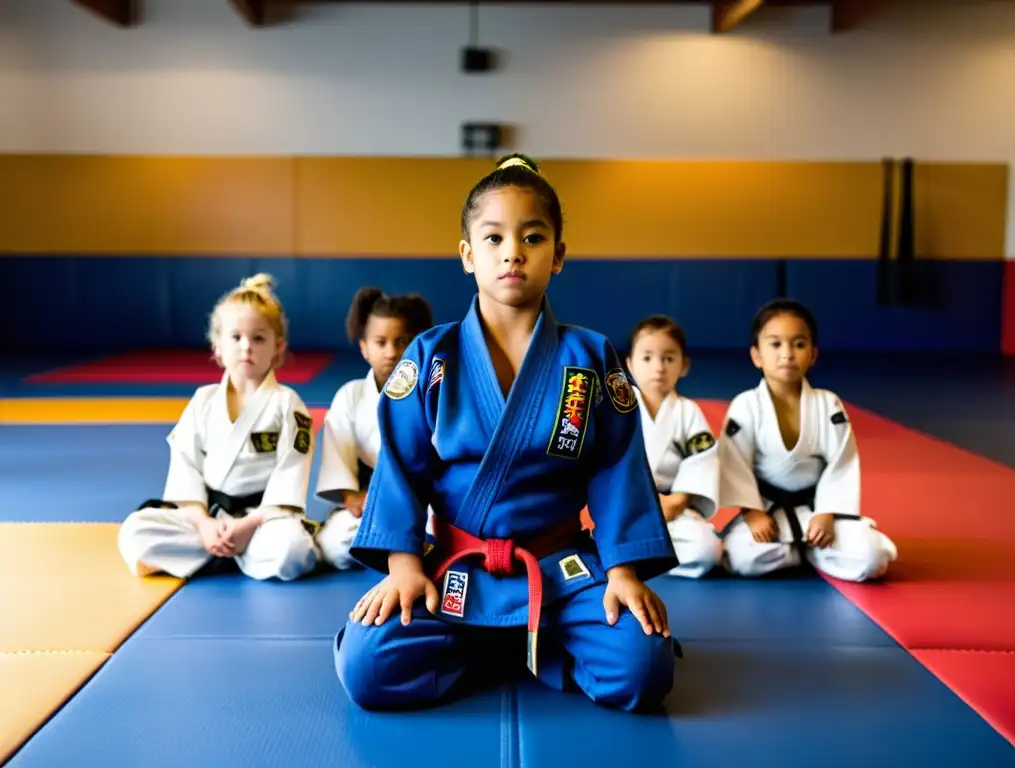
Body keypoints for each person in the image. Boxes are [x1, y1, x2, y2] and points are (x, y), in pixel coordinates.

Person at [335, 154, 680, 713]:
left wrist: (622, 572)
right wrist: (402, 567)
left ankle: (509, 640)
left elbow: (619, 467)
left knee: (643, 666)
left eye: (533, 236)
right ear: (469, 255)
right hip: (456, 568)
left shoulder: (590, 357)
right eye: (493, 238)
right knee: (368, 667)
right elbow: (399, 467)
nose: (512, 251)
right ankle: (507, 642)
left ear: (558, 255)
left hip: (559, 570)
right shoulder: (431, 356)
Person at [117, 274, 320, 582]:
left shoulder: (287, 404)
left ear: (278, 347)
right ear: (218, 346)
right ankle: (226, 548)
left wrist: (249, 525)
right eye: (236, 337)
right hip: (208, 518)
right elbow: (186, 464)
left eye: (258, 338)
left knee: (292, 550)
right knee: (135, 532)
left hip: (262, 521)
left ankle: (214, 553)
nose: (246, 347)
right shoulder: (204, 400)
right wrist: (203, 523)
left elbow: (291, 472)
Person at [718, 298, 897, 582]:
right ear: (757, 356)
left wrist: (827, 512)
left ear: (813, 354)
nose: (787, 354)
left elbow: (842, 463)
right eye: (775, 344)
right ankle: (812, 554)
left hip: (818, 511)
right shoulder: (745, 405)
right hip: (769, 511)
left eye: (798, 344)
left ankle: (804, 551)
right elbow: (733, 465)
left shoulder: (829, 404)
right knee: (739, 557)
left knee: (872, 557)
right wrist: (752, 513)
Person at [315, 287, 435, 570]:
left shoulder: (433, 392)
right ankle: (402, 550)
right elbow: (337, 459)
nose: (391, 352)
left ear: (418, 345)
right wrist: (352, 497)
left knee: (440, 529)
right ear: (364, 348)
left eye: (402, 341)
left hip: (422, 502)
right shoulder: (350, 395)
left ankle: (394, 548)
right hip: (368, 503)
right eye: (380, 342)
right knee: (333, 543)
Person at [626, 315, 722, 578]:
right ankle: (645, 555)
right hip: (629, 508)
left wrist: (676, 502)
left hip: (675, 508)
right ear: (629, 365)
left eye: (668, 358)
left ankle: (640, 559)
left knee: (708, 550)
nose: (658, 367)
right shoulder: (618, 408)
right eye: (647, 358)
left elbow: (702, 460)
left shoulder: (688, 412)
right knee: (600, 544)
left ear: (684, 365)